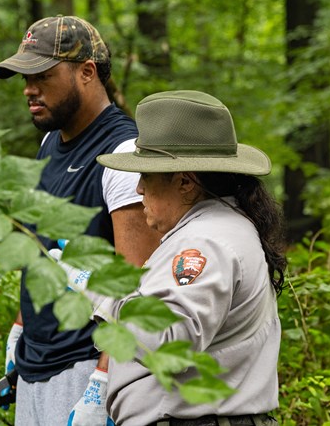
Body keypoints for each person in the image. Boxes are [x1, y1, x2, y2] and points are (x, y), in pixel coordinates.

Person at [0, 15, 161, 426]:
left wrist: (101, 383)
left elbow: (135, 281)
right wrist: (21, 329)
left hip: (83, 366)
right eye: (24, 78)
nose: (30, 90)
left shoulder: (122, 155)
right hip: (34, 365)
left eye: (43, 76)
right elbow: (41, 252)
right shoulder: (51, 141)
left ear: (87, 72)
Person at [95, 90, 287, 425]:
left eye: (147, 176)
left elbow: (167, 343)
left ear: (185, 182)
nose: (139, 189)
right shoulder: (218, 230)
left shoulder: (205, 242)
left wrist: (98, 291)